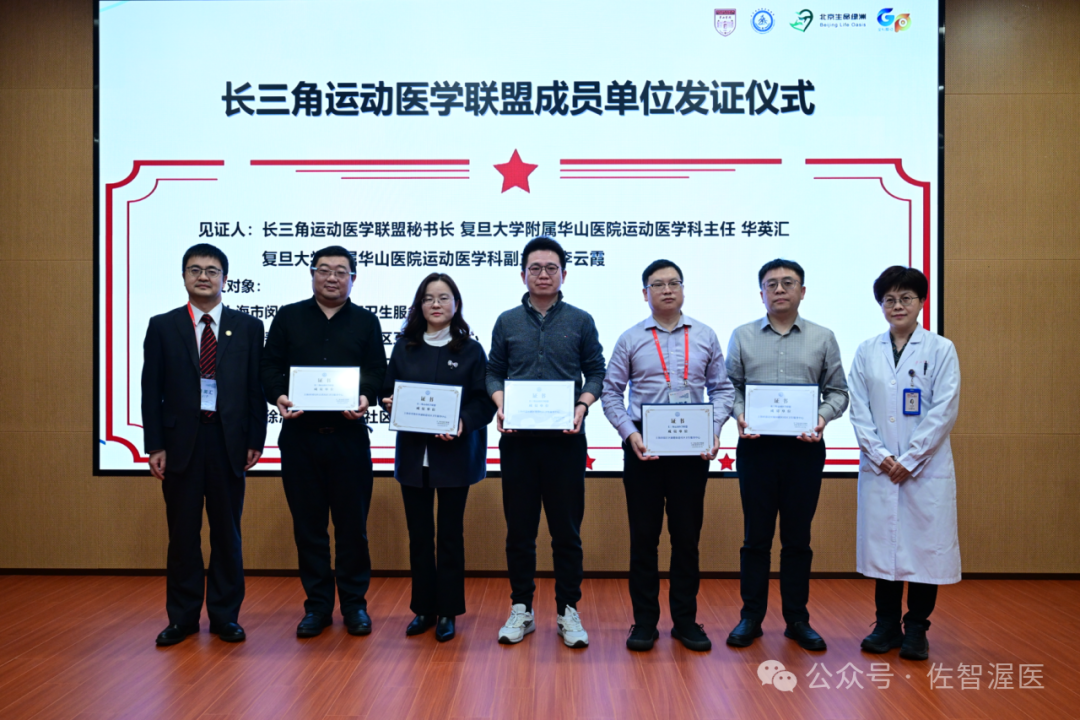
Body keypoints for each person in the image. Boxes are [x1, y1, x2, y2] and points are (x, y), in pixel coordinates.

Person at [601, 260, 734, 652]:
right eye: (657, 284)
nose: (667, 290)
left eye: (674, 282)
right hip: (644, 450)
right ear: (645, 293)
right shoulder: (630, 338)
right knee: (644, 539)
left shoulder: (705, 335)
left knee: (686, 540)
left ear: (683, 289)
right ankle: (644, 623)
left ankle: (686, 621)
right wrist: (630, 434)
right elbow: (611, 392)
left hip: (692, 452)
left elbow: (723, 389)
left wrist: (713, 429)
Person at [142, 243, 267, 646]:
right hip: (181, 444)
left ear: (224, 279)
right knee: (183, 535)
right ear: (183, 277)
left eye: (212, 271)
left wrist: (256, 439)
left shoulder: (248, 327)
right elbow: (151, 391)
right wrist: (155, 445)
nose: (203, 276)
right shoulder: (163, 326)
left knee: (227, 535)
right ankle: (182, 618)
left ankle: (225, 617)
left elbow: (255, 389)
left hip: (229, 442)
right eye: (195, 269)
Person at [260, 245, 387, 638]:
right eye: (324, 270)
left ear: (353, 278)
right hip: (301, 439)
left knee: (352, 528)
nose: (332, 277)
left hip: (349, 440)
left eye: (341, 271)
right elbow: (269, 366)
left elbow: (376, 370)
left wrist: (365, 397)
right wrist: (279, 395)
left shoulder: (366, 321)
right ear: (312, 273)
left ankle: (354, 606)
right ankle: (317, 607)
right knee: (309, 527)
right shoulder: (288, 317)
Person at [486, 236, 606, 648]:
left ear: (563, 274)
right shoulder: (506, 321)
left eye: (551, 268)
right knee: (519, 531)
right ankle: (522, 608)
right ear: (522, 274)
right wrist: (501, 404)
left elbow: (596, 371)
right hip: (518, 442)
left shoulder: (581, 320)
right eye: (535, 268)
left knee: (566, 532)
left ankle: (568, 610)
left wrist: (582, 406)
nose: (542, 274)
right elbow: (493, 372)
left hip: (565, 442)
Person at [725, 259, 849, 650]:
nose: (779, 289)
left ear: (802, 291)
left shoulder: (823, 337)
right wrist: (740, 414)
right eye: (771, 284)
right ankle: (751, 617)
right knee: (755, 539)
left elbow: (838, 391)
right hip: (757, 448)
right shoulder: (742, 335)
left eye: (788, 283)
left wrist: (821, 418)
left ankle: (797, 619)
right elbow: (730, 388)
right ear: (761, 292)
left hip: (804, 450)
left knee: (797, 539)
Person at [848, 266, 960, 661]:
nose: (897, 306)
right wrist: (881, 456)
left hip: (925, 469)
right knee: (886, 551)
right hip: (881, 467)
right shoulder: (867, 351)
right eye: (889, 300)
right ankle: (885, 626)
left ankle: (916, 629)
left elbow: (944, 410)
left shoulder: (941, 349)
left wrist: (911, 459)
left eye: (906, 298)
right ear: (881, 305)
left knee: (924, 552)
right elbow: (859, 410)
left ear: (921, 302)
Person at [380, 273, 496, 642]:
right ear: (419, 305)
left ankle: (448, 611)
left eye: (444, 297)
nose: (436, 304)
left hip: (454, 457)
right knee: (419, 537)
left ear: (456, 304)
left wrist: (462, 422)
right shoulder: (405, 347)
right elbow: (387, 392)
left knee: (449, 536)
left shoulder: (471, 350)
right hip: (414, 458)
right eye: (428, 298)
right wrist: (389, 403)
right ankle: (423, 609)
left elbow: (484, 402)